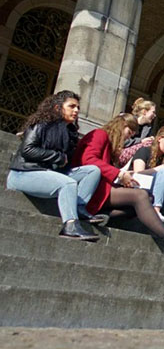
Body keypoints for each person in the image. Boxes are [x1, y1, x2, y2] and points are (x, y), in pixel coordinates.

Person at [72, 113, 164, 256]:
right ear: (120, 126)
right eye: (129, 132)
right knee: (140, 196)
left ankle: (105, 215)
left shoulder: (109, 143)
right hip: (90, 189)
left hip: (103, 188)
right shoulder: (99, 134)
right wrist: (119, 174)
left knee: (147, 199)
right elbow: (89, 160)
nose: (129, 138)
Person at [6, 90, 102, 240]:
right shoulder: (41, 124)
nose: (76, 111)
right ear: (58, 107)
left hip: (49, 173)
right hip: (23, 173)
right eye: (71, 106)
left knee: (93, 171)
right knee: (68, 184)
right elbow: (27, 150)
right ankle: (70, 225)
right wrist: (57, 156)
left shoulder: (70, 131)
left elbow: (67, 161)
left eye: (78, 108)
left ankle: (77, 207)